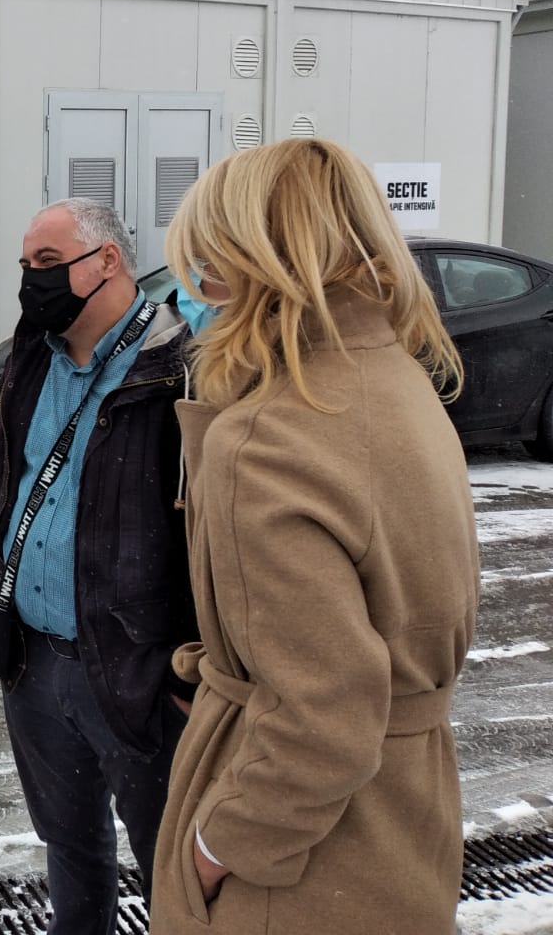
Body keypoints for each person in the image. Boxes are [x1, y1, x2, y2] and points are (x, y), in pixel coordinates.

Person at [150, 139, 477, 933]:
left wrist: (217, 847)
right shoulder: (397, 379)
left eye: (207, 266)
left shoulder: (270, 435)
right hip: (408, 816)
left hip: (303, 870)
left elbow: (324, 715)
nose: (195, 293)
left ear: (258, 263)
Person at [0, 198, 196, 935]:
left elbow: (207, 537)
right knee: (69, 845)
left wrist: (185, 672)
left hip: (137, 672)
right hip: (33, 662)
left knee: (172, 865)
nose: (31, 280)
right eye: (25, 264)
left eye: (47, 262)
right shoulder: (31, 355)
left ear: (108, 262)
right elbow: (1, 480)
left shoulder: (180, 371)